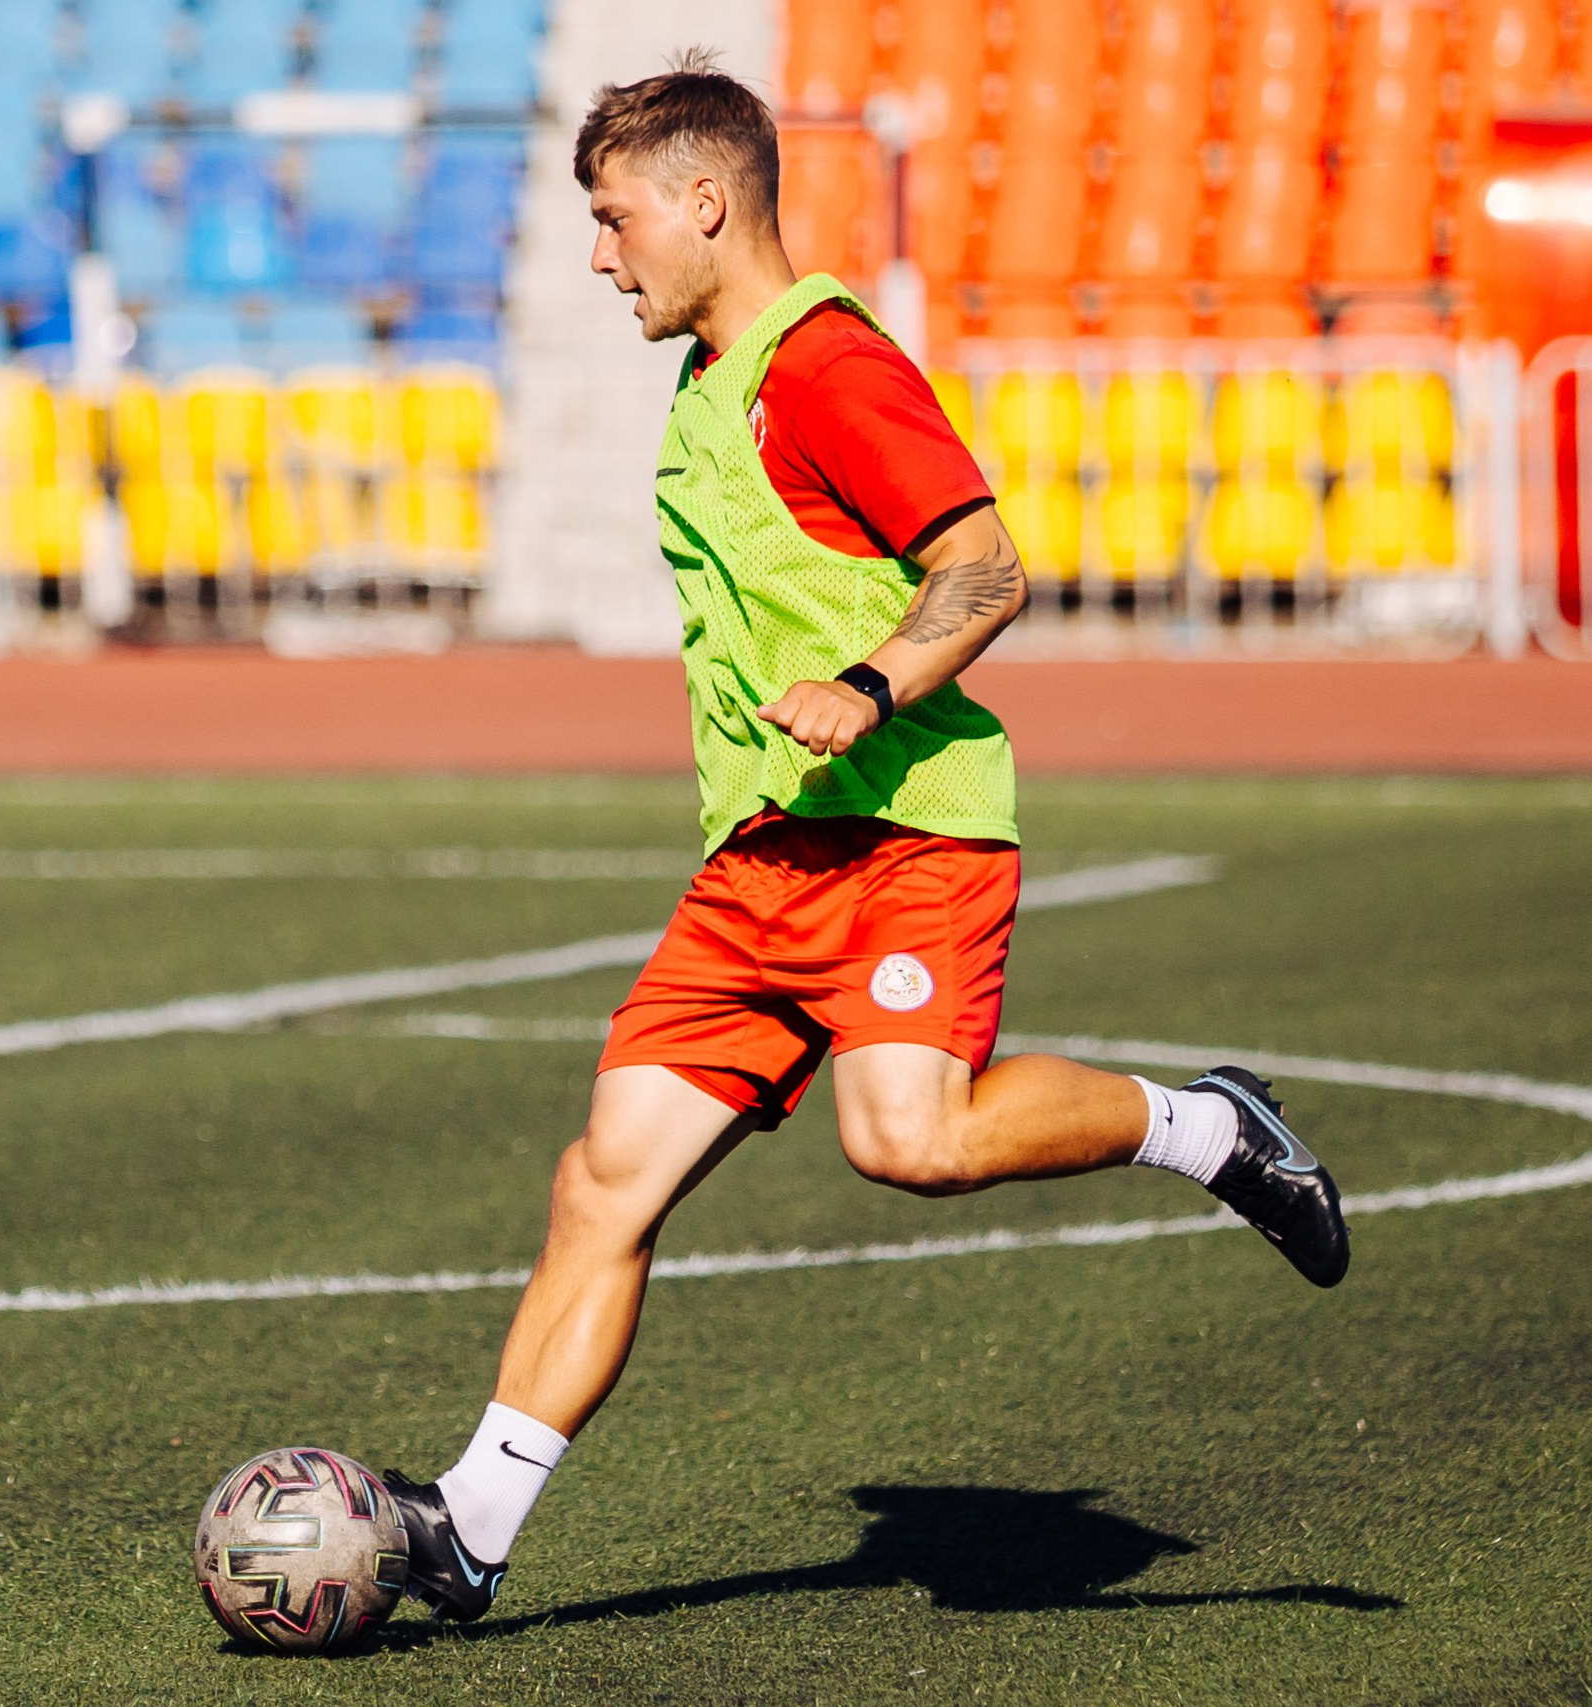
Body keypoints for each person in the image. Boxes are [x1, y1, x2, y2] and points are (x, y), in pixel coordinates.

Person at [382, 54, 1350, 1623]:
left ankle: (1212, 1128)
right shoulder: (710, 378)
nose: (598, 252)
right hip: (765, 862)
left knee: (909, 1141)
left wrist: (869, 680)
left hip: (907, 836)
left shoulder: (825, 367)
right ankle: (470, 1531)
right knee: (603, 1181)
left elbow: (984, 567)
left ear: (707, 202)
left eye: (616, 216)